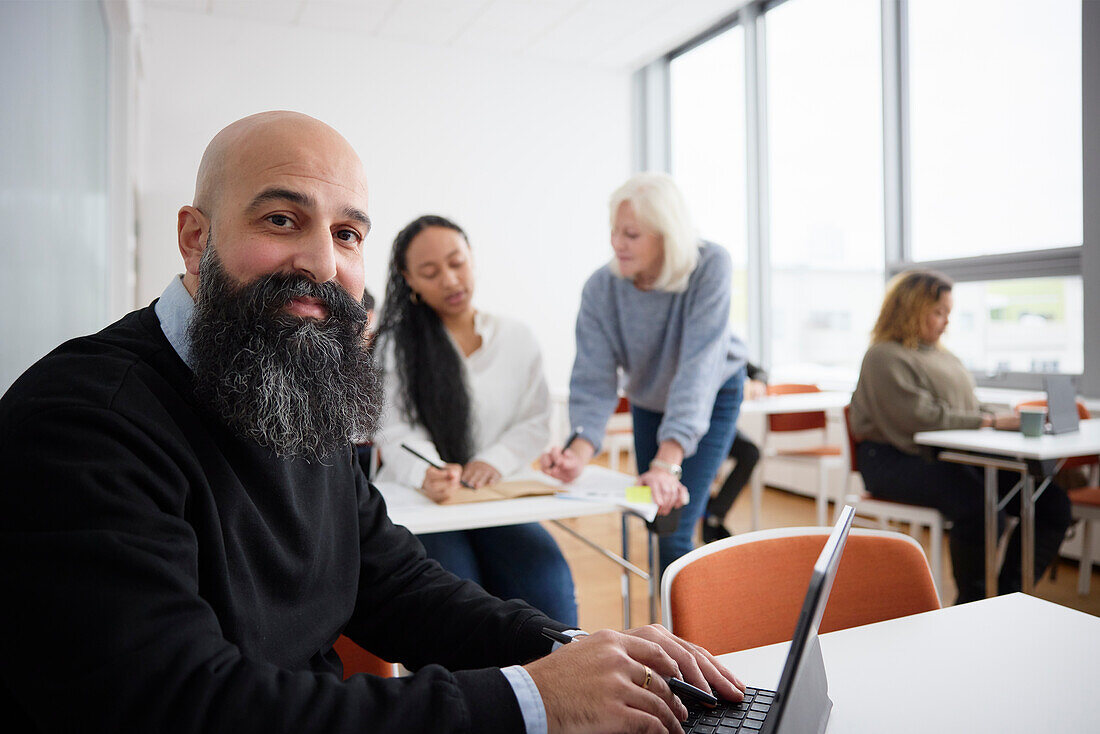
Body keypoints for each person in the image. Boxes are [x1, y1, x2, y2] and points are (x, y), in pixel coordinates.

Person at [0, 112, 746, 733]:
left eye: (349, 234)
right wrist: (532, 700)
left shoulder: (289, 377)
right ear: (196, 239)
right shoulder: (81, 423)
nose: (322, 263)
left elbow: (391, 582)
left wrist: (579, 651)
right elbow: (185, 705)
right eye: (282, 218)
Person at [373, 214, 577, 625]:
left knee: (550, 592)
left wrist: (494, 460)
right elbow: (395, 429)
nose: (449, 280)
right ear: (408, 279)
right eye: (430, 272)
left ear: (472, 258)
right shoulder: (395, 347)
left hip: (497, 499)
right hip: (429, 503)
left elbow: (536, 420)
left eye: (457, 262)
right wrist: (429, 471)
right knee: (454, 602)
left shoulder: (516, 337)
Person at [540, 172, 749, 573]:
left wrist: (667, 461)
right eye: (614, 232)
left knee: (674, 525)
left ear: (666, 235)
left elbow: (699, 366)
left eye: (631, 235)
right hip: (649, 395)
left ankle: (693, 633)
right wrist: (578, 452)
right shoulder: (600, 288)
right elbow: (593, 375)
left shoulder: (710, 265)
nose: (617, 244)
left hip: (714, 389)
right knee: (652, 517)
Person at [849, 269, 1073, 604]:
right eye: (938, 312)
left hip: (946, 455)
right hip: (892, 459)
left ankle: (1009, 595)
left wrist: (996, 417)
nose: (945, 322)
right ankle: (972, 603)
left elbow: (965, 406)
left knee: (1052, 503)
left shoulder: (943, 355)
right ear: (910, 310)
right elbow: (920, 417)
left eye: (948, 313)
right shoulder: (883, 356)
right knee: (982, 511)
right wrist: (989, 422)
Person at [701, 363, 768, 544]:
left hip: (721, 424)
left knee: (750, 453)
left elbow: (759, 371)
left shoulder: (730, 350)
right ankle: (705, 512)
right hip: (695, 423)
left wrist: (759, 382)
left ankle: (714, 515)